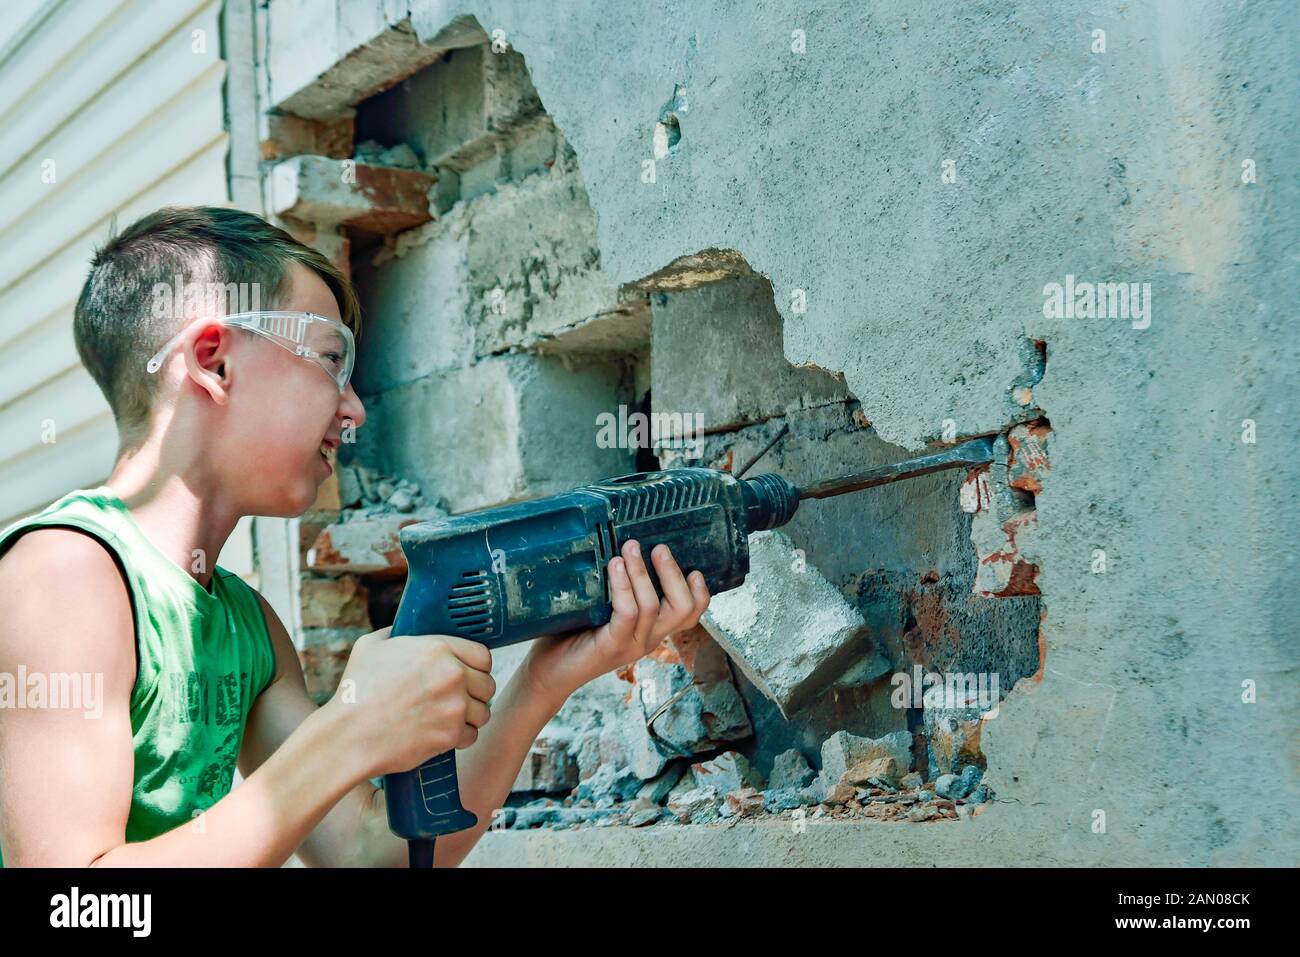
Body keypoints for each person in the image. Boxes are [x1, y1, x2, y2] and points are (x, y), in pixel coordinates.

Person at [0, 206, 711, 867]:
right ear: (214, 362)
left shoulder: (248, 625)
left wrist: (545, 677)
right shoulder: (63, 574)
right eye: (329, 357)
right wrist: (348, 724)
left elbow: (371, 851)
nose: (354, 409)